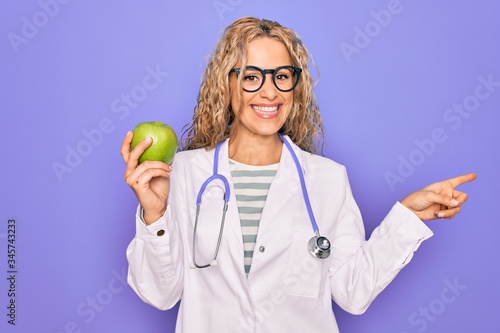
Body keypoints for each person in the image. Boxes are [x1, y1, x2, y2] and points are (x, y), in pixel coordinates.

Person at [121, 17, 476, 333]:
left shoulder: (327, 179)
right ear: (226, 85)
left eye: (281, 76)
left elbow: (352, 293)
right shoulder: (181, 173)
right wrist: (155, 215)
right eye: (251, 77)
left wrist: (408, 217)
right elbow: (160, 295)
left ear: (296, 86)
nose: (269, 91)